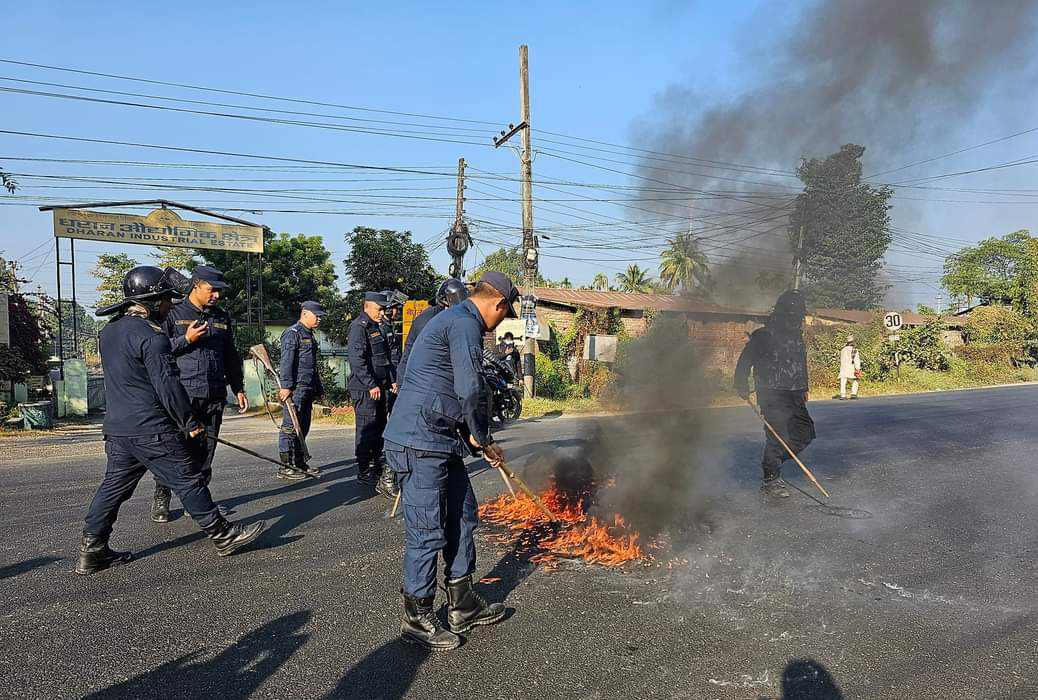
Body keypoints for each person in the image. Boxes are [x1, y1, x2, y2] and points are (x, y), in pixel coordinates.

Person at [76, 266, 265, 575]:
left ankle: (92, 550)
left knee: (113, 488)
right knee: (188, 477)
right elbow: (168, 385)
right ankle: (223, 535)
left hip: (118, 429)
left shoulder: (110, 331)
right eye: (165, 300)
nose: (169, 306)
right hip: (151, 427)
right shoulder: (152, 337)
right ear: (152, 301)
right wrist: (190, 422)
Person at [382, 271, 519, 650]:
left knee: (463, 515)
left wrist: (476, 441)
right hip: (418, 440)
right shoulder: (463, 323)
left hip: (440, 436)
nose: (498, 326)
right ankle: (417, 614)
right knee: (427, 530)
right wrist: (484, 437)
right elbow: (470, 387)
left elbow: (456, 393)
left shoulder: (456, 319)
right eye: (503, 317)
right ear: (498, 304)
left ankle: (462, 603)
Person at [151, 265, 246, 523]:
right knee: (175, 449)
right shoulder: (173, 314)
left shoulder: (222, 317)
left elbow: (231, 356)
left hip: (214, 393)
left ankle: (199, 501)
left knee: (206, 450)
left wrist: (237, 387)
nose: (216, 295)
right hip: (182, 396)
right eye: (211, 289)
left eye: (218, 291)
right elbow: (157, 353)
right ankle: (162, 494)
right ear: (196, 286)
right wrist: (187, 339)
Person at [734, 289, 816, 499]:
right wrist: (741, 384)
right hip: (772, 394)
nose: (796, 320)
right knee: (777, 435)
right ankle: (771, 479)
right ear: (781, 314)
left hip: (795, 393)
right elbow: (745, 361)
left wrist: (804, 387)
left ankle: (773, 461)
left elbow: (800, 364)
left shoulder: (796, 337)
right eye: (793, 315)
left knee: (805, 433)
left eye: (798, 315)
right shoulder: (764, 335)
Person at [347, 292, 395, 496]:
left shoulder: (377, 327)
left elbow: (385, 357)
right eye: (379, 309)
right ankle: (364, 468)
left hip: (380, 386)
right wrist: (370, 384)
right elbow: (357, 360)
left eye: (383, 309)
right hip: (365, 388)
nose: (382, 312)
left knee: (379, 427)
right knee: (366, 428)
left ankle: (376, 464)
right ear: (367, 306)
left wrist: (391, 380)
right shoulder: (359, 327)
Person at [277, 301, 326, 479]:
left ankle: (299, 463)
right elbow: (286, 362)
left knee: (303, 427)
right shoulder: (292, 334)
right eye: (317, 315)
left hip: (307, 388)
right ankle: (286, 466)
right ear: (305, 313)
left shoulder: (309, 335)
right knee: (290, 428)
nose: (319, 319)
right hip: (295, 389)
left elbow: (312, 367)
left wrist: (319, 389)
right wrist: (285, 386)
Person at [397, 278, 469, 385]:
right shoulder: (428, 321)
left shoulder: (449, 318)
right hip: (415, 379)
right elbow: (428, 356)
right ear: (443, 302)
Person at [379, 290, 405, 414]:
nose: (397, 311)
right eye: (395, 308)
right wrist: (392, 380)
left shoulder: (389, 326)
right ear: (388, 309)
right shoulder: (381, 328)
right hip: (388, 380)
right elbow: (385, 357)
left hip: (394, 376)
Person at [839, 335, 862, 400]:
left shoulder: (843, 349)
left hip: (843, 367)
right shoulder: (854, 350)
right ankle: (853, 394)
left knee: (843, 381)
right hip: (851, 367)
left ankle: (842, 395)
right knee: (855, 380)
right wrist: (858, 368)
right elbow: (856, 360)